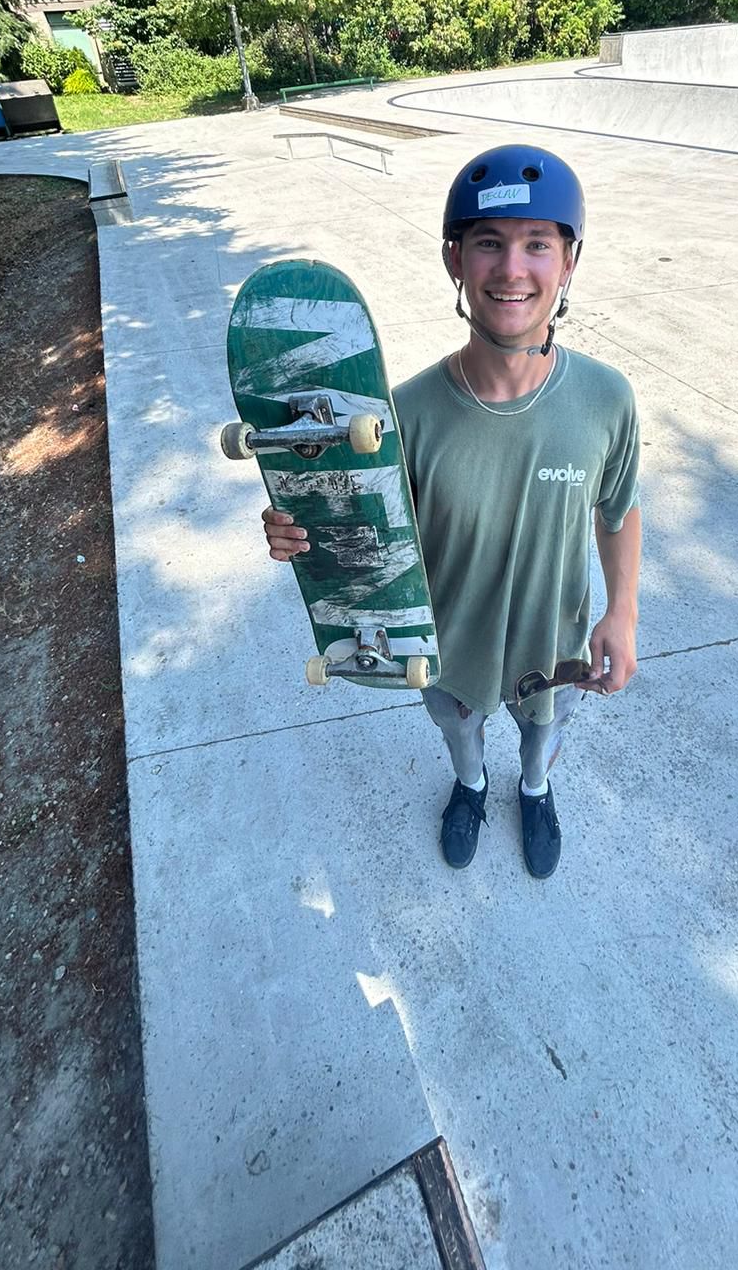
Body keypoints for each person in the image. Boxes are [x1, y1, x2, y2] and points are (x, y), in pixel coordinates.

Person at [262, 145, 641, 879]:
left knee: (544, 733)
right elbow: (355, 533)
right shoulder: (403, 414)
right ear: (455, 260)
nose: (511, 269)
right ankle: (470, 787)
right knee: (460, 732)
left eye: (538, 243)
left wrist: (622, 610)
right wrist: (297, 531)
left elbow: (617, 510)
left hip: (551, 637)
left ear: (568, 262)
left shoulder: (606, 399)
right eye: (489, 244)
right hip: (443, 642)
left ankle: (535, 789)